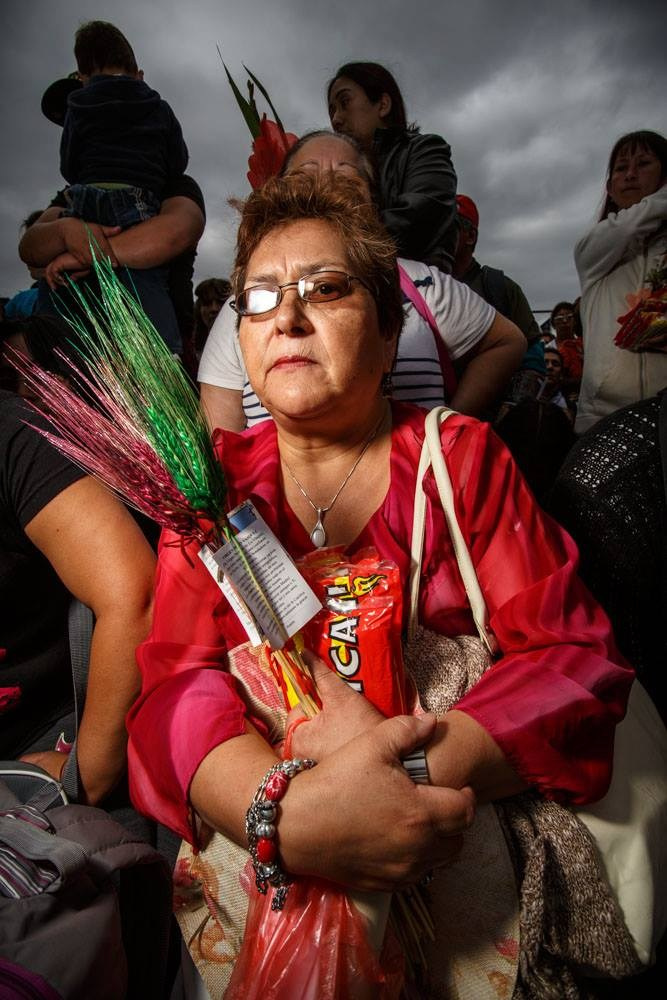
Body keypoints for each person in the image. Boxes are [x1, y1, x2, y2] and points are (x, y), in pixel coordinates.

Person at [128, 172, 633, 992]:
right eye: (258, 298)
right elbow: (173, 689)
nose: (286, 317)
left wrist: (399, 782)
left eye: (325, 289)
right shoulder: (210, 490)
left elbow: (571, 658)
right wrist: (288, 818)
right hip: (268, 859)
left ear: (391, 325)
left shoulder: (459, 460)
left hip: (456, 855)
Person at [198, 131, 525, 431]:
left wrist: (448, 431)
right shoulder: (238, 306)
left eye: (347, 180)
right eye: (305, 177)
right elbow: (223, 441)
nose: (324, 188)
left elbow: (506, 342)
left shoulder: (423, 284)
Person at [0, 320, 156, 812]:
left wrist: (81, 775)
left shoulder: (26, 443)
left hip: (58, 731)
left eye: (36, 375)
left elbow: (135, 596)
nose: (32, 393)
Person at [59, 20, 188, 247]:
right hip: (139, 202)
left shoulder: (77, 107)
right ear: (138, 74)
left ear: (83, 76)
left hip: (86, 199)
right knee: (141, 275)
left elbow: (68, 166)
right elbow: (178, 162)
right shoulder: (160, 107)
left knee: (76, 260)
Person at [575, 129, 667, 434]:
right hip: (603, 416)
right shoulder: (594, 246)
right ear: (609, 188)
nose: (630, 175)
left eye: (643, 164)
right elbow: (628, 229)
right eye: (620, 168)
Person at [327, 62, 457, 272]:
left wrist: (329, 241)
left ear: (383, 104)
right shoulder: (340, 173)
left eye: (345, 102)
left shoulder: (425, 149)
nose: (336, 119)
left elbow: (417, 220)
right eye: (332, 110)